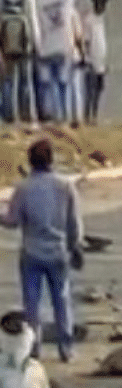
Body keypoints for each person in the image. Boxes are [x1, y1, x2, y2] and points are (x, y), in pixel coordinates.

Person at [0, 140, 82, 362]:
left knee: (32, 302)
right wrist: (76, 247)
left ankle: (34, 347)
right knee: (62, 300)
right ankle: (66, 347)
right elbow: (74, 222)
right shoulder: (66, 185)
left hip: (32, 252)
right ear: (51, 160)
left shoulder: (24, 188)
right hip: (58, 252)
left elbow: (12, 220)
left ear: (30, 162)